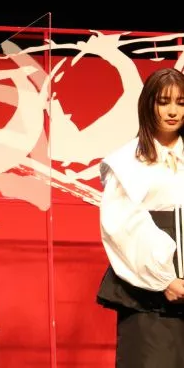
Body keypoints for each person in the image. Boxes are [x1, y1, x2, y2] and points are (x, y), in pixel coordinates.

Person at [96, 67, 184, 367]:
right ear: (148, 104)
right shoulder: (128, 161)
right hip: (151, 293)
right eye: (163, 102)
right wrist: (164, 278)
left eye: (181, 102)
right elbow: (122, 224)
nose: (173, 111)